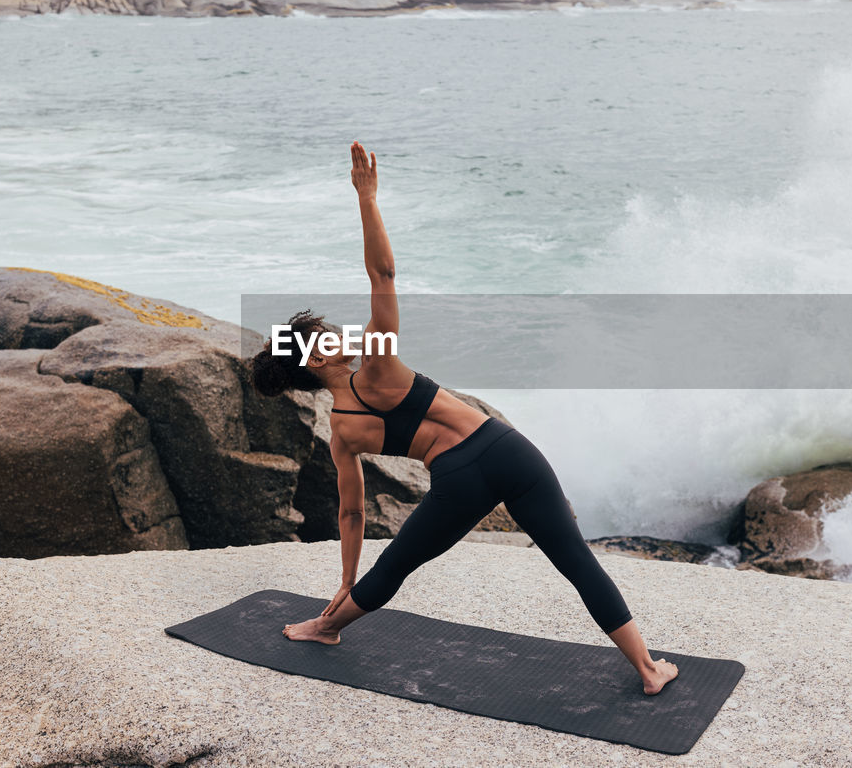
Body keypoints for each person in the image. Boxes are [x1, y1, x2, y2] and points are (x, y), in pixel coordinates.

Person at [249, 141, 679, 696]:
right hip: (508, 452)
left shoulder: (342, 431)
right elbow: (384, 275)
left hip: (458, 481)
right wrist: (367, 197)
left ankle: (326, 627)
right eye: (327, 337)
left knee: (398, 563)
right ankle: (647, 669)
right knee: (575, 560)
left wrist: (346, 577)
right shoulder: (378, 367)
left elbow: (351, 512)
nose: (339, 336)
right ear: (317, 359)